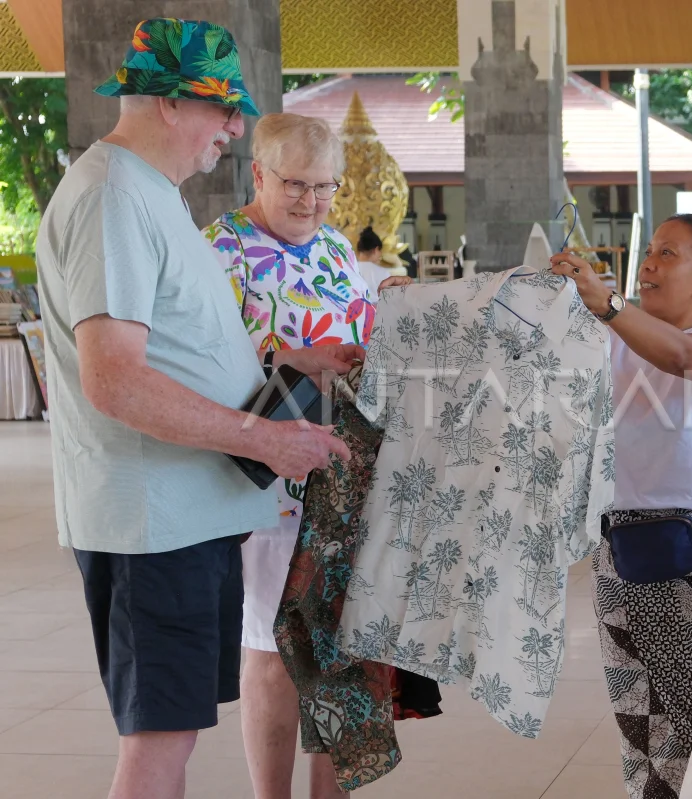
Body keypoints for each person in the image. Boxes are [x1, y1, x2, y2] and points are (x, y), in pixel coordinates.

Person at [34, 19, 357, 799]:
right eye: (224, 108)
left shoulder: (149, 194)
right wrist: (263, 437)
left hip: (184, 518)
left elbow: (180, 350)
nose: (236, 129)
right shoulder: (113, 197)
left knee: (172, 735)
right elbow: (116, 379)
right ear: (170, 103)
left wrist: (287, 366)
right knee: (159, 742)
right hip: (151, 524)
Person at [203, 113, 405, 799]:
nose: (311, 201)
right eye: (296, 184)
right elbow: (198, 358)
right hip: (269, 475)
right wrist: (291, 357)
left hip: (342, 472)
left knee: (344, 644)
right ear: (258, 173)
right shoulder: (222, 248)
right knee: (272, 645)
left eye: (325, 186)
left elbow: (358, 337)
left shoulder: (336, 249)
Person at [550, 214, 692, 798]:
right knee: (638, 717)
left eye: (668, 254)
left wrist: (608, 305)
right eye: (650, 252)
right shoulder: (614, 336)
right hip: (618, 552)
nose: (649, 265)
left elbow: (685, 358)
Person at [354, 225, 405, 289]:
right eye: (380, 251)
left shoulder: (350, 269)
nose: (380, 254)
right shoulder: (383, 273)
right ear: (376, 250)